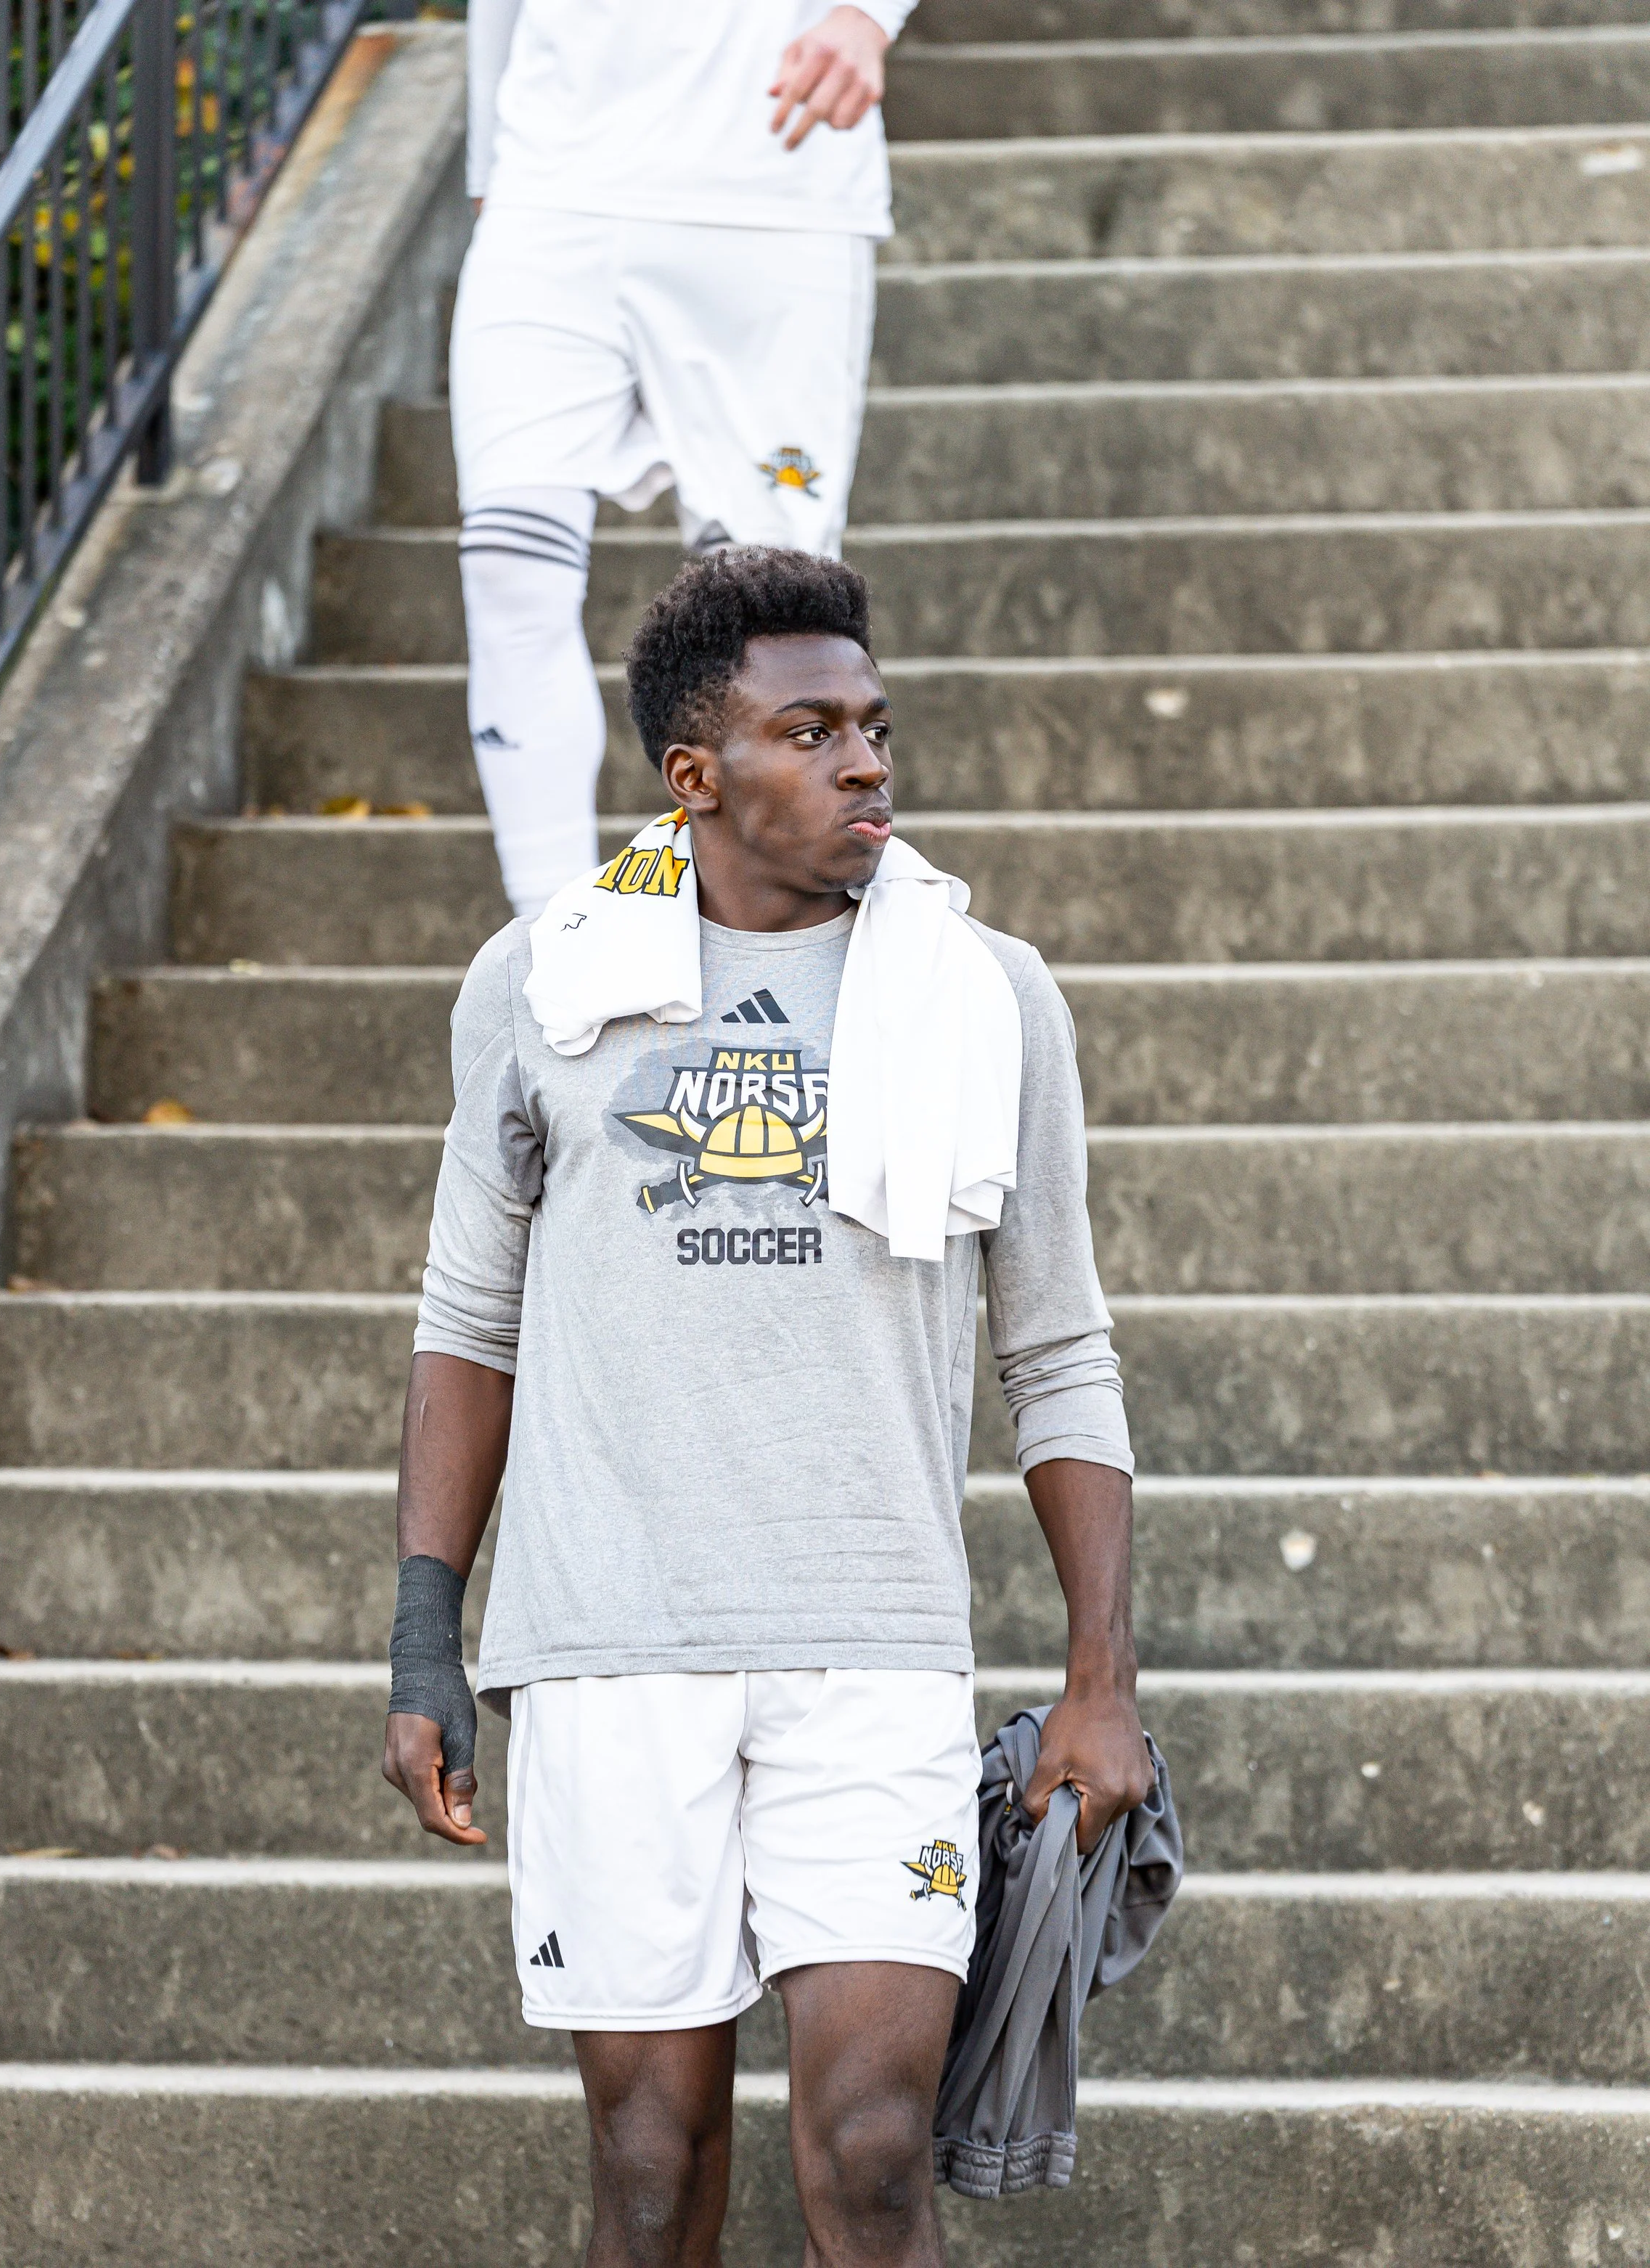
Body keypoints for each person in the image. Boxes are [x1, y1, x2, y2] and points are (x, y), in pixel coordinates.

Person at [384, 547, 1154, 2268]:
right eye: (810, 732)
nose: (868, 763)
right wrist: (426, 1631)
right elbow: (466, 1317)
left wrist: (1100, 1679)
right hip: (607, 1643)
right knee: (649, 2161)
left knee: (876, 2152)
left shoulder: (986, 995)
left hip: (867, 1647)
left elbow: (1060, 1351)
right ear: (694, 772)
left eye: (874, 726)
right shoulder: (541, 983)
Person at [451, 0, 914, 918]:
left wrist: (869, 15)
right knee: (509, 564)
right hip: (551, 183)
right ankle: (547, 932)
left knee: (769, 606)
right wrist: (486, 163)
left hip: (771, 184)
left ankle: (763, 922)